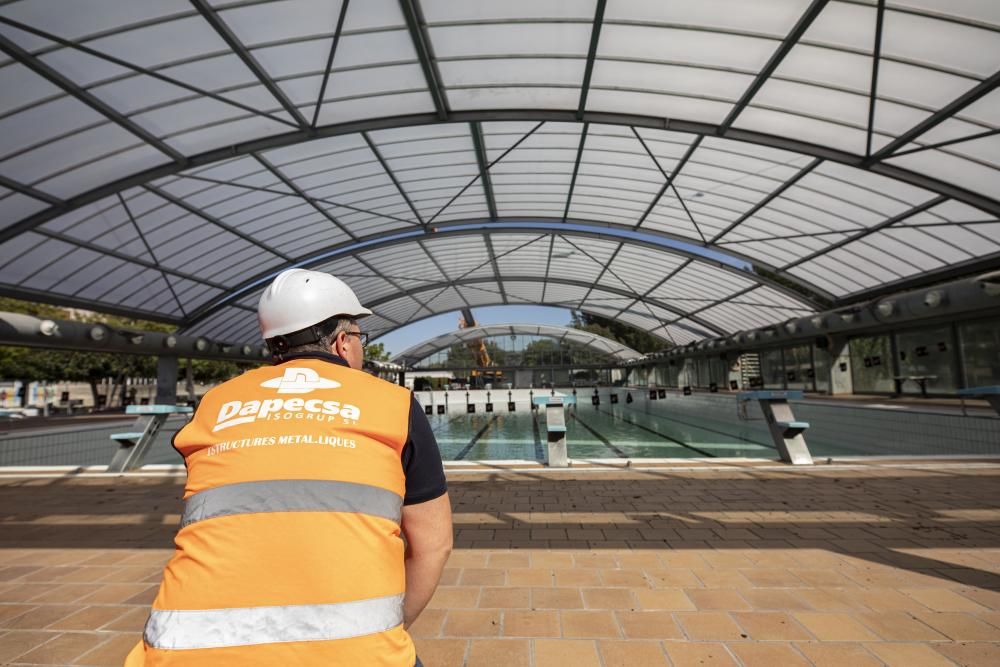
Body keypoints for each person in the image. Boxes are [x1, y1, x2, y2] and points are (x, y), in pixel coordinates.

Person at [126, 269, 452, 666]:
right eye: (359, 338)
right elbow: (433, 544)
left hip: (182, 650)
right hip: (352, 652)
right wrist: (388, 628)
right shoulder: (393, 403)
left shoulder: (215, 403)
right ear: (342, 342)